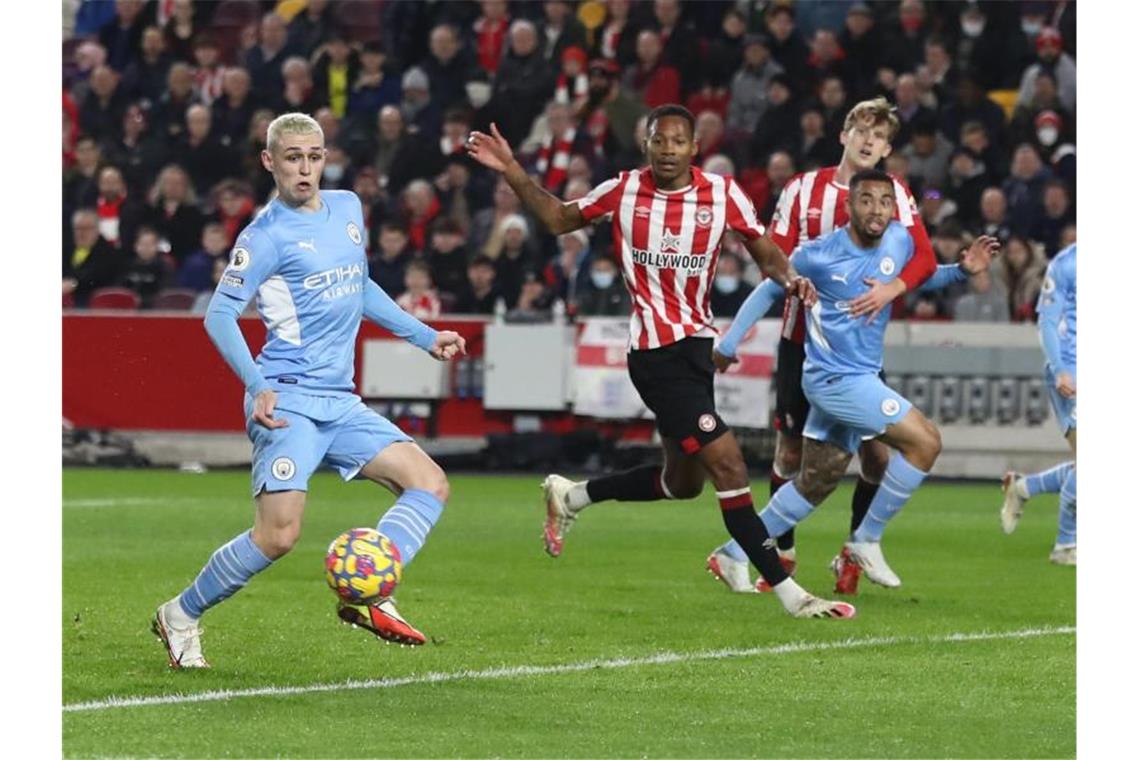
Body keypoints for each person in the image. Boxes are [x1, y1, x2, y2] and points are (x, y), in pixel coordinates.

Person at [466, 104, 855, 620]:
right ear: (645, 144)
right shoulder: (623, 190)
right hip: (654, 354)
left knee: (683, 484)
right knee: (730, 465)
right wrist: (513, 170)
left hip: (696, 351)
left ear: (695, 149)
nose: (667, 149)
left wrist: (791, 279)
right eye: (658, 140)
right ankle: (792, 594)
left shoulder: (721, 194)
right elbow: (559, 218)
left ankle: (572, 496)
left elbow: (765, 252)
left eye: (677, 141)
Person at [152, 113, 467, 668]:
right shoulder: (264, 236)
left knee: (429, 483)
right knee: (277, 537)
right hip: (287, 398)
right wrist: (256, 385)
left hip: (340, 400)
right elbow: (219, 316)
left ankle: (370, 588)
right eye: (293, 157)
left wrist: (423, 336)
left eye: (314, 156)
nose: (305, 168)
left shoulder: (347, 209)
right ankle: (180, 614)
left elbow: (359, 284)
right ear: (269, 162)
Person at [715, 170, 999, 591]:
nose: (877, 210)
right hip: (835, 381)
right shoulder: (818, 254)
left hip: (858, 375)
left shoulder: (899, 239)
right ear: (849, 206)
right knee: (926, 441)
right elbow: (770, 289)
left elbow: (921, 276)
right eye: (866, 200)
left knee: (816, 482)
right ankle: (864, 540)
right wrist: (730, 341)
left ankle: (732, 553)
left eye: (885, 201)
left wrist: (960, 270)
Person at [706, 96, 937, 596]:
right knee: (795, 457)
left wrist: (895, 288)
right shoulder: (802, 189)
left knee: (874, 458)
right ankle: (779, 554)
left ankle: (854, 550)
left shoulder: (892, 194)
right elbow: (775, 261)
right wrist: (789, 283)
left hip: (856, 351)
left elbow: (923, 258)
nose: (869, 140)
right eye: (862, 130)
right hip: (800, 342)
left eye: (880, 135)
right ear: (844, 134)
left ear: (887, 148)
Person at [1000, 243, 1076, 566]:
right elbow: (1046, 321)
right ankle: (1065, 545)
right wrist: (1059, 368)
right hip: (1072, 369)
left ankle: (1023, 487)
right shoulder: (1068, 263)